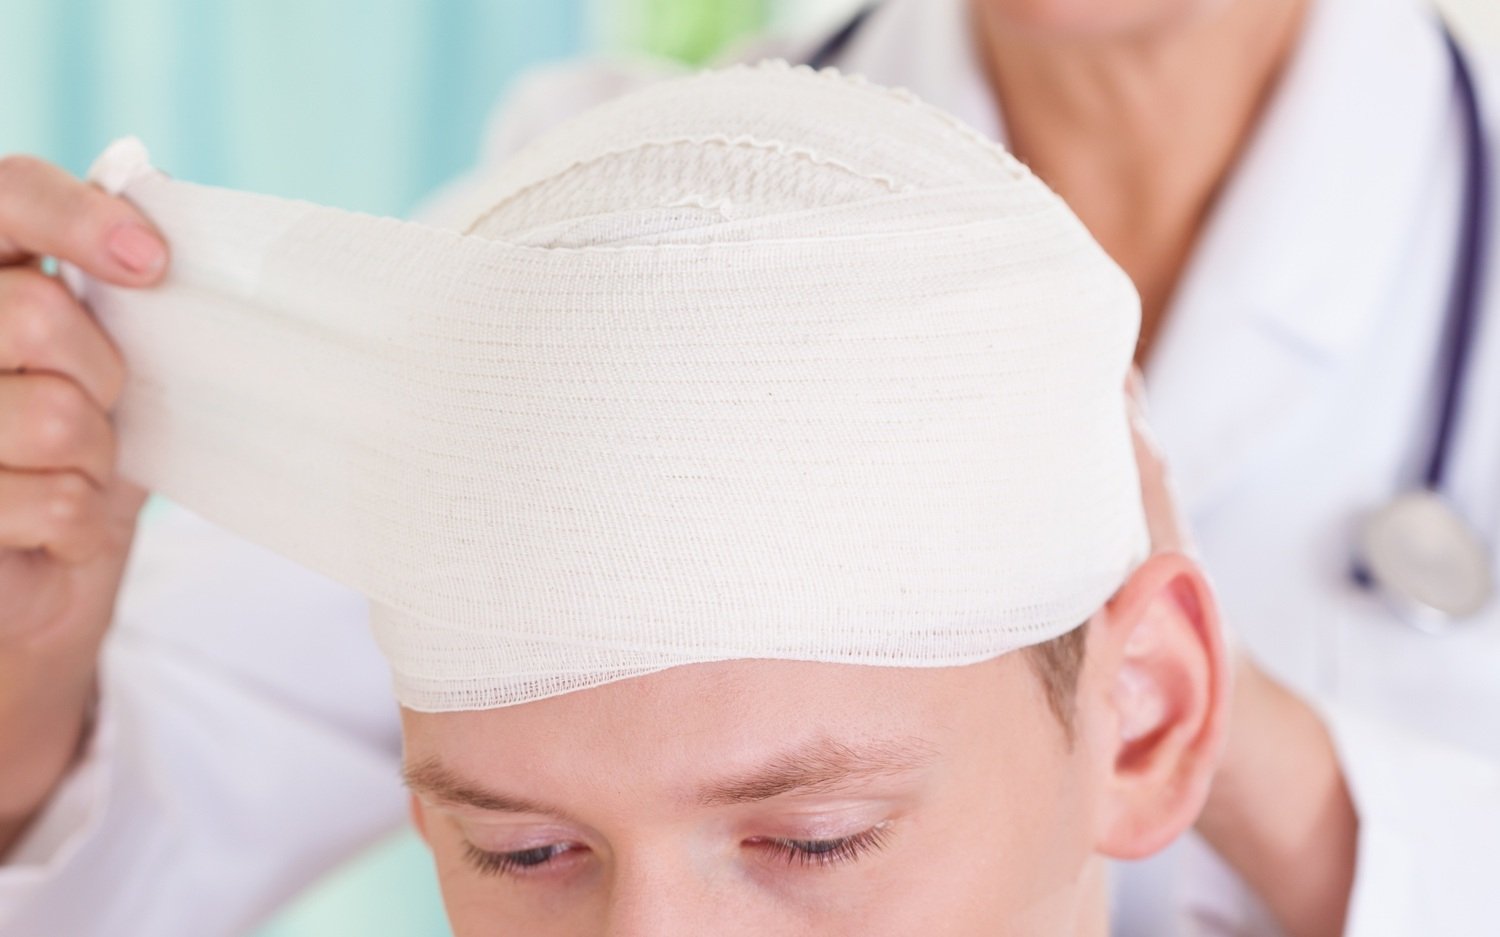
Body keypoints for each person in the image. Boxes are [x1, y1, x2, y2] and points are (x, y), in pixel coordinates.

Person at [0, 0, 1497, 933]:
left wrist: (1161, 713)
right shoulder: (607, 223)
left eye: (817, 835)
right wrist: (28, 640)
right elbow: (143, 816)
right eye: (524, 854)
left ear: (1163, 706)